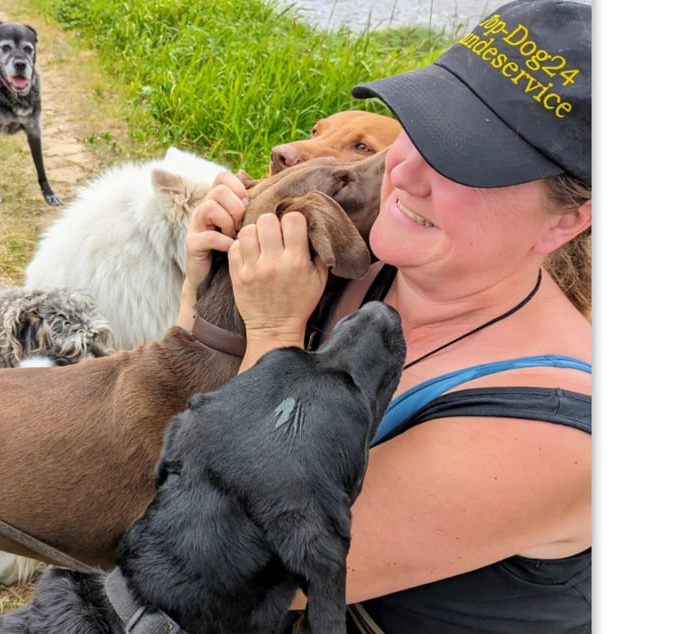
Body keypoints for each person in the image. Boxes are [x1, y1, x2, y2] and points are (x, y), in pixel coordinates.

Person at [176, 0, 592, 631]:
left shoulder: (558, 433)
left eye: (466, 161)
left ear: (566, 221)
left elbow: (235, 565)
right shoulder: (360, 261)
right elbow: (177, 434)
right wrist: (206, 302)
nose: (405, 172)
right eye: (418, 127)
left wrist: (271, 334)